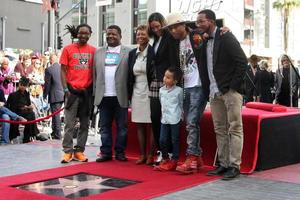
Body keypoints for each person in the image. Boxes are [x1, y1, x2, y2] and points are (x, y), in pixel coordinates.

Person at [197, 9, 248, 180]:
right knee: (220, 129)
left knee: (235, 127)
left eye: (201, 21)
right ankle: (223, 164)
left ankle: (235, 166)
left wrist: (233, 87)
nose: (198, 25)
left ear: (211, 21)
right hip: (213, 91)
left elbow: (242, 61)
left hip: (229, 91)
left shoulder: (226, 36)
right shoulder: (204, 41)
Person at [166, 13, 208, 174]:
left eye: (176, 26)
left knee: (191, 121)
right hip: (185, 85)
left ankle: (191, 156)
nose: (173, 30)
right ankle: (196, 157)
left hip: (198, 84)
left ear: (183, 24)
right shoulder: (175, 43)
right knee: (190, 122)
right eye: (170, 28)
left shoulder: (196, 35)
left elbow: (209, 49)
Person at [94, 25, 131, 162]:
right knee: (104, 127)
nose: (110, 36)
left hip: (121, 95)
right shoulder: (98, 52)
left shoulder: (128, 52)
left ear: (120, 36)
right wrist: (94, 95)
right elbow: (95, 74)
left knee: (122, 127)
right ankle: (106, 153)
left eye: (114, 34)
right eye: (108, 34)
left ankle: (120, 152)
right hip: (103, 96)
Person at [60, 23, 96, 163]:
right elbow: (62, 70)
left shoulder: (94, 51)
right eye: (81, 33)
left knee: (85, 124)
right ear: (77, 34)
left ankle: (79, 151)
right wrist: (65, 89)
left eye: (86, 33)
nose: (83, 35)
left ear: (90, 34)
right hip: (71, 92)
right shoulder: (68, 49)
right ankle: (68, 152)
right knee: (69, 124)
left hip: (86, 93)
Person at [147, 13, 174, 162]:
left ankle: (167, 153)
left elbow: (173, 60)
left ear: (162, 24)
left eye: (158, 26)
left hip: (167, 82)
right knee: (155, 117)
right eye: (153, 27)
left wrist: (172, 80)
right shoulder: (156, 39)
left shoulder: (170, 37)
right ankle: (160, 150)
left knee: (167, 118)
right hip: (156, 82)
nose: (156, 29)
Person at [128, 25, 155, 165]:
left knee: (151, 124)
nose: (140, 36)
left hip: (150, 90)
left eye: (143, 34)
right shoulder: (132, 53)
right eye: (138, 34)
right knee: (139, 124)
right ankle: (142, 154)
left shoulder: (153, 51)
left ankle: (151, 155)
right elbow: (129, 74)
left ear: (148, 36)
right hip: (136, 91)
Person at [155, 67, 183, 171]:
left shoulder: (179, 91)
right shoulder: (161, 90)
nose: (165, 79)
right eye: (165, 76)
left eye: (168, 77)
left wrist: (181, 116)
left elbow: (181, 103)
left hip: (175, 118)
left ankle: (175, 159)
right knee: (162, 139)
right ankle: (165, 158)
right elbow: (161, 103)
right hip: (165, 118)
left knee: (174, 139)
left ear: (175, 81)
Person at [6, 77, 41, 143]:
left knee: (31, 114)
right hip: (16, 112)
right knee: (31, 115)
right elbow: (10, 107)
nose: (22, 87)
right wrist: (23, 108)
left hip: (25, 112)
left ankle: (28, 136)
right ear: (19, 84)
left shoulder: (26, 94)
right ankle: (33, 134)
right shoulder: (13, 95)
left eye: (24, 86)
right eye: (21, 85)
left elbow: (29, 104)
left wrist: (29, 107)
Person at [43, 53, 64, 140]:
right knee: (56, 114)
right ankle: (54, 131)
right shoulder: (63, 68)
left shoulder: (49, 69)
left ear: (51, 60)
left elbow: (47, 84)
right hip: (63, 94)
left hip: (54, 95)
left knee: (56, 115)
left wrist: (44, 95)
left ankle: (57, 134)